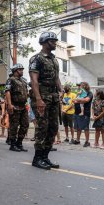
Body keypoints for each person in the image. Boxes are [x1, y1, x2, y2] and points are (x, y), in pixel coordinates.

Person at [29, 31, 62, 170]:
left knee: (53, 128)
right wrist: (38, 99)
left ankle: (45, 157)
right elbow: (34, 80)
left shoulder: (54, 59)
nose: (55, 43)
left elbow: (56, 78)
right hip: (42, 98)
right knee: (42, 128)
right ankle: (37, 158)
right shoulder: (37, 59)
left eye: (55, 41)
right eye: (52, 41)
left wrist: (60, 91)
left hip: (53, 98)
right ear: (44, 42)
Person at [5, 63, 29, 152]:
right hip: (14, 106)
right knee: (14, 126)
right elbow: (7, 92)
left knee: (25, 124)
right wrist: (9, 104)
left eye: (22, 69)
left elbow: (26, 92)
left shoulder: (23, 81)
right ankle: (12, 144)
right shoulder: (11, 80)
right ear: (15, 71)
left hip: (23, 107)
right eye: (20, 70)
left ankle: (19, 143)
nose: (22, 71)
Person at [72, 82, 93, 147]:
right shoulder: (80, 92)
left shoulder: (89, 93)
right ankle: (78, 140)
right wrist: (78, 99)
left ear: (85, 86)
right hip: (77, 112)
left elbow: (86, 100)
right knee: (78, 127)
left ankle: (87, 141)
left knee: (86, 128)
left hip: (85, 113)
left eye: (80, 85)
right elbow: (74, 100)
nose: (79, 87)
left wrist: (78, 100)